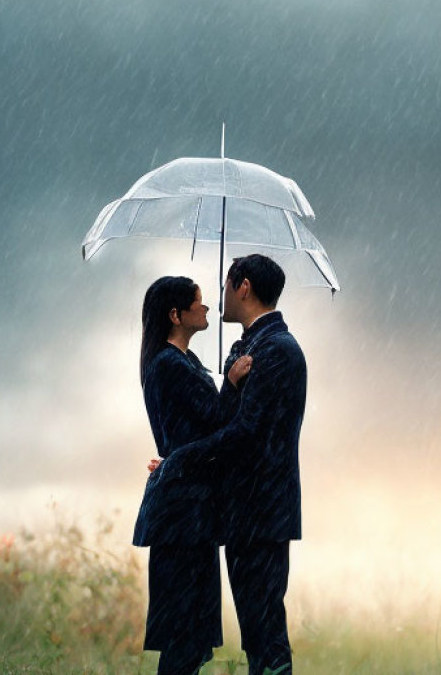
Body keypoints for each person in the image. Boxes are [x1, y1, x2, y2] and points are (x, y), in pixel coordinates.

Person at [159, 255, 306, 675]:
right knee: (257, 632)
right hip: (246, 512)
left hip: (262, 510)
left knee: (265, 633)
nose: (219, 297)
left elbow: (248, 433)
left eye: (225, 286)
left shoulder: (276, 350)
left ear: (243, 287)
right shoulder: (250, 346)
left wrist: (181, 457)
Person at [133, 276, 251, 675]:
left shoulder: (181, 362)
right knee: (185, 629)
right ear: (175, 315)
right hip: (183, 510)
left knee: (192, 628)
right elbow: (218, 419)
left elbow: (201, 422)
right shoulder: (169, 364)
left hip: (188, 506)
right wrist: (232, 382)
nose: (206, 308)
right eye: (197, 303)